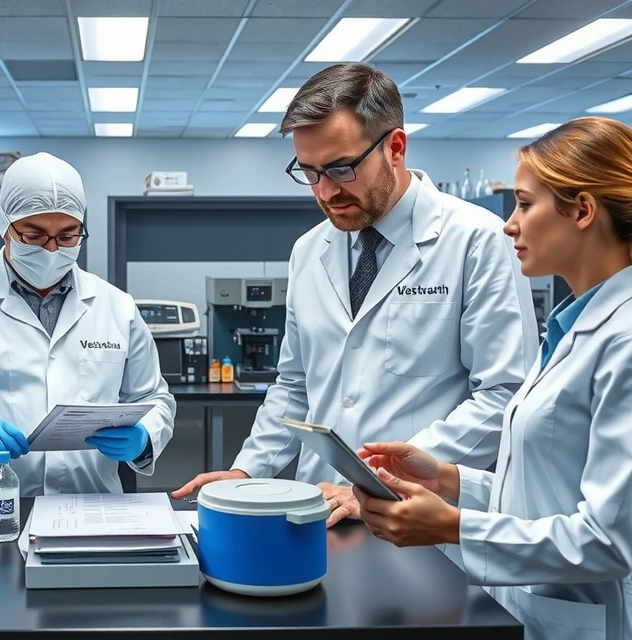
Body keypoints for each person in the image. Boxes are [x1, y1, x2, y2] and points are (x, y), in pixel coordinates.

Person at [353, 116, 632, 640]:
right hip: (543, 610)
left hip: (609, 624)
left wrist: (452, 526)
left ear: (583, 210)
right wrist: (446, 479)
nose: (510, 224)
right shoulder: (575, 327)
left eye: (525, 204)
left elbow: (607, 541)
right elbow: (547, 493)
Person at [173, 62, 537, 525]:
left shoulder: (476, 239)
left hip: (419, 516)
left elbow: (504, 394)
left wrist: (378, 478)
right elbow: (295, 386)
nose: (325, 192)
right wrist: (247, 471)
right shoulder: (309, 250)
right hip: (320, 510)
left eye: (341, 168)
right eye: (309, 172)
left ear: (396, 147)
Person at [0, 152, 176, 497]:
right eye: (35, 235)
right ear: (5, 225)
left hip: (90, 502)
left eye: (68, 236)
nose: (52, 250)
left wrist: (144, 435)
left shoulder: (117, 306)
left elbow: (154, 397)